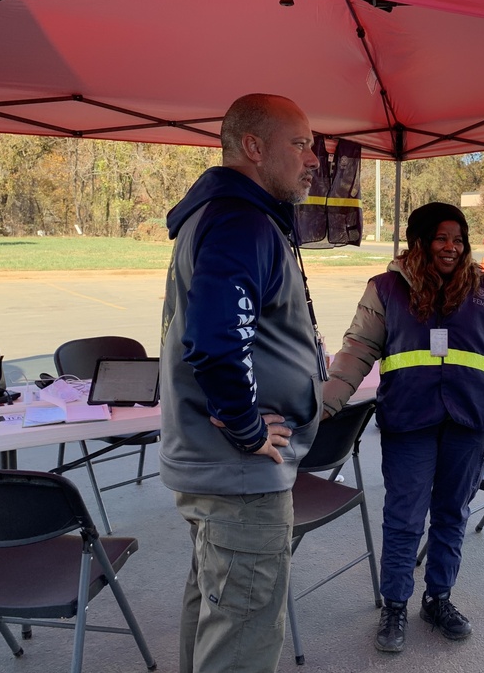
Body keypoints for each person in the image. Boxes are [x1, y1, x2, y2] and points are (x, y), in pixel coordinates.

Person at [159, 93, 325, 673]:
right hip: (240, 475)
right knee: (243, 629)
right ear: (253, 147)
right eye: (300, 144)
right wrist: (246, 426)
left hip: (218, 470)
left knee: (217, 603)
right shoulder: (240, 221)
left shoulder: (229, 216)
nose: (313, 160)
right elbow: (216, 339)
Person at [322, 202, 484, 654]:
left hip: (469, 421)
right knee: (404, 519)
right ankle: (395, 603)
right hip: (409, 421)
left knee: (453, 515)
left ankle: (439, 599)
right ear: (419, 242)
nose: (451, 247)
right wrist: (327, 403)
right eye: (441, 238)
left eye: (458, 239)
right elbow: (356, 350)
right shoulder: (386, 289)